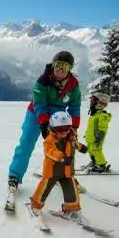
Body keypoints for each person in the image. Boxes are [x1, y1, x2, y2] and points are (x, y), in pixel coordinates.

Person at [8, 51, 81, 192]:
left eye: (64, 67)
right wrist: (43, 123)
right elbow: (40, 103)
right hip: (35, 113)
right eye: (58, 65)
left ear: (69, 69)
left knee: (64, 146)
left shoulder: (73, 84)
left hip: (58, 116)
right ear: (53, 65)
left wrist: (74, 127)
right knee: (26, 144)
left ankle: (63, 175)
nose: (60, 69)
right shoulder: (43, 80)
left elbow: (75, 106)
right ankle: (14, 175)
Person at [30, 111, 88, 226]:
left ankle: (71, 209)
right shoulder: (49, 140)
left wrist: (81, 147)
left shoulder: (71, 136)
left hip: (67, 171)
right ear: (53, 127)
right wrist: (62, 158)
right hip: (52, 171)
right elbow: (51, 151)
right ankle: (35, 206)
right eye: (60, 130)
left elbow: (75, 144)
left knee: (71, 190)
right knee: (44, 189)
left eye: (66, 129)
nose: (64, 132)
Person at [84, 92, 112, 172]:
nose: (91, 103)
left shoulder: (102, 115)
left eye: (93, 101)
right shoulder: (94, 114)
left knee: (96, 150)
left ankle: (101, 165)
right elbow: (91, 127)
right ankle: (94, 162)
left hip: (97, 138)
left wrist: (100, 136)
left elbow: (103, 128)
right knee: (90, 149)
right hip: (91, 138)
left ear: (99, 104)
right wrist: (87, 135)